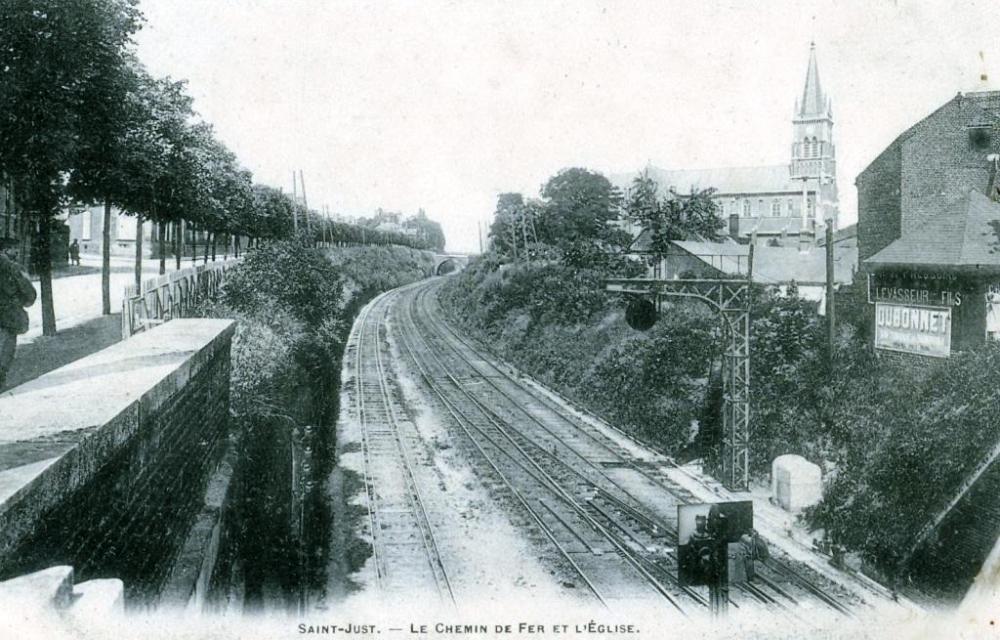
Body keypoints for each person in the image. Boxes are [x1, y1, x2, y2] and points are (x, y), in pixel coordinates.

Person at [0, 239, 37, 390]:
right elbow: (29, 292)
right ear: (5, 250)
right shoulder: (12, 267)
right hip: (7, 315)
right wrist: (23, 301)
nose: (16, 252)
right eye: (13, 249)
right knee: (5, 347)